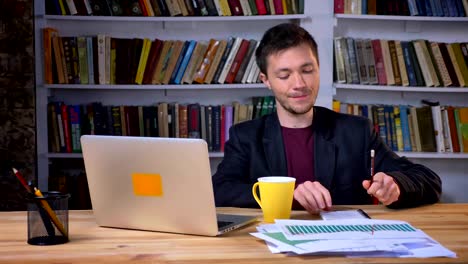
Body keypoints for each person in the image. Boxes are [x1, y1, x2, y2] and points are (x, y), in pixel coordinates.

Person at [212, 23, 442, 214]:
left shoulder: (357, 131)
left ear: (319, 68)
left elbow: (429, 180)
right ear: (266, 80)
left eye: (307, 70)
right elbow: (219, 190)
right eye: (284, 75)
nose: (299, 84)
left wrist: (397, 186)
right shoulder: (246, 136)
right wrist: (284, 194)